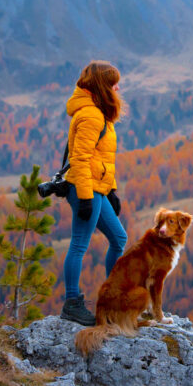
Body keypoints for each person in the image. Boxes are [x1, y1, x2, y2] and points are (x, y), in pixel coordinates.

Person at [60, 60, 128, 326]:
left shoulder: (99, 112)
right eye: (113, 83)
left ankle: (112, 298)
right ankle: (72, 303)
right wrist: (86, 197)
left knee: (119, 238)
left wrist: (111, 190)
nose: (117, 88)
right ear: (102, 85)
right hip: (84, 188)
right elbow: (80, 159)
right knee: (79, 244)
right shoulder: (91, 115)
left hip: (96, 188)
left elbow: (101, 158)